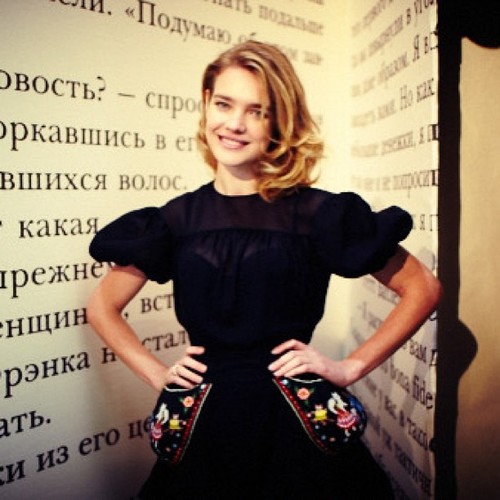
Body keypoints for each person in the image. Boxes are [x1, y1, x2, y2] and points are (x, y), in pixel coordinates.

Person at [87, 40, 442, 499]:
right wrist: (157, 375)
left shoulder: (319, 214)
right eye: (224, 104)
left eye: (257, 111)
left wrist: (349, 367)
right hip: (206, 427)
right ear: (206, 104)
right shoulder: (175, 219)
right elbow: (102, 307)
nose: (234, 124)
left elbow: (423, 288)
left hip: (297, 428)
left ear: (280, 122)